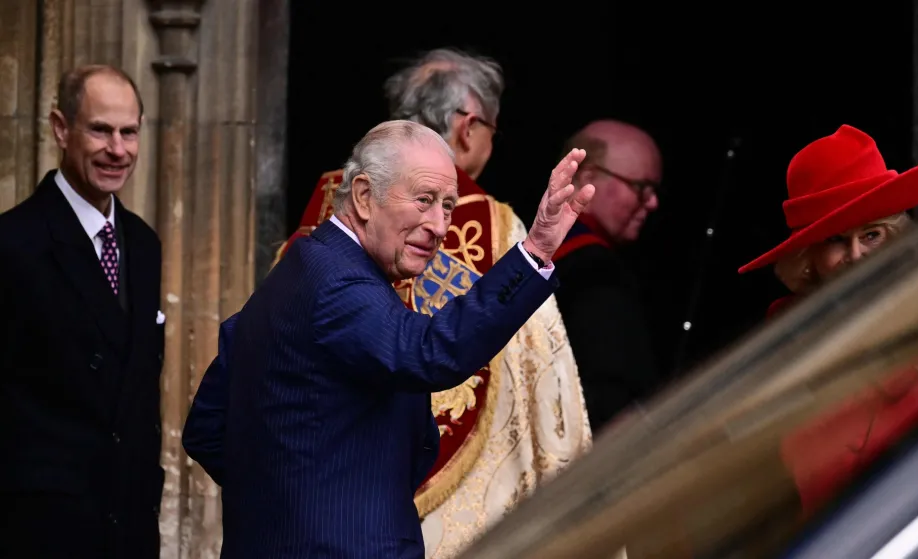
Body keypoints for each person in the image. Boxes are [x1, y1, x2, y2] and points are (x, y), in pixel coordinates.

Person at [184, 48, 593, 559]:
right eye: (423, 200)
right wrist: (533, 253)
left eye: (448, 206)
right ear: (361, 196)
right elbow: (428, 352)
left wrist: (285, 500)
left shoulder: (299, 269)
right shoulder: (337, 283)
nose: (441, 226)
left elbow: (206, 427)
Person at [738, 124, 918, 518]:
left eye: (873, 235)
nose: (857, 256)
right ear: (807, 259)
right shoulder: (787, 352)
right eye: (835, 240)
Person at [0, 65, 163, 558]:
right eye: (100, 129)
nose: (118, 149)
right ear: (60, 128)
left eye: (129, 132)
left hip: (128, 528)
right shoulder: (13, 244)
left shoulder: (142, 243)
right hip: (42, 532)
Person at [552, 120, 664, 434]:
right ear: (588, 178)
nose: (653, 202)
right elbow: (613, 400)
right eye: (642, 187)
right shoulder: (597, 273)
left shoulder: (517, 242)